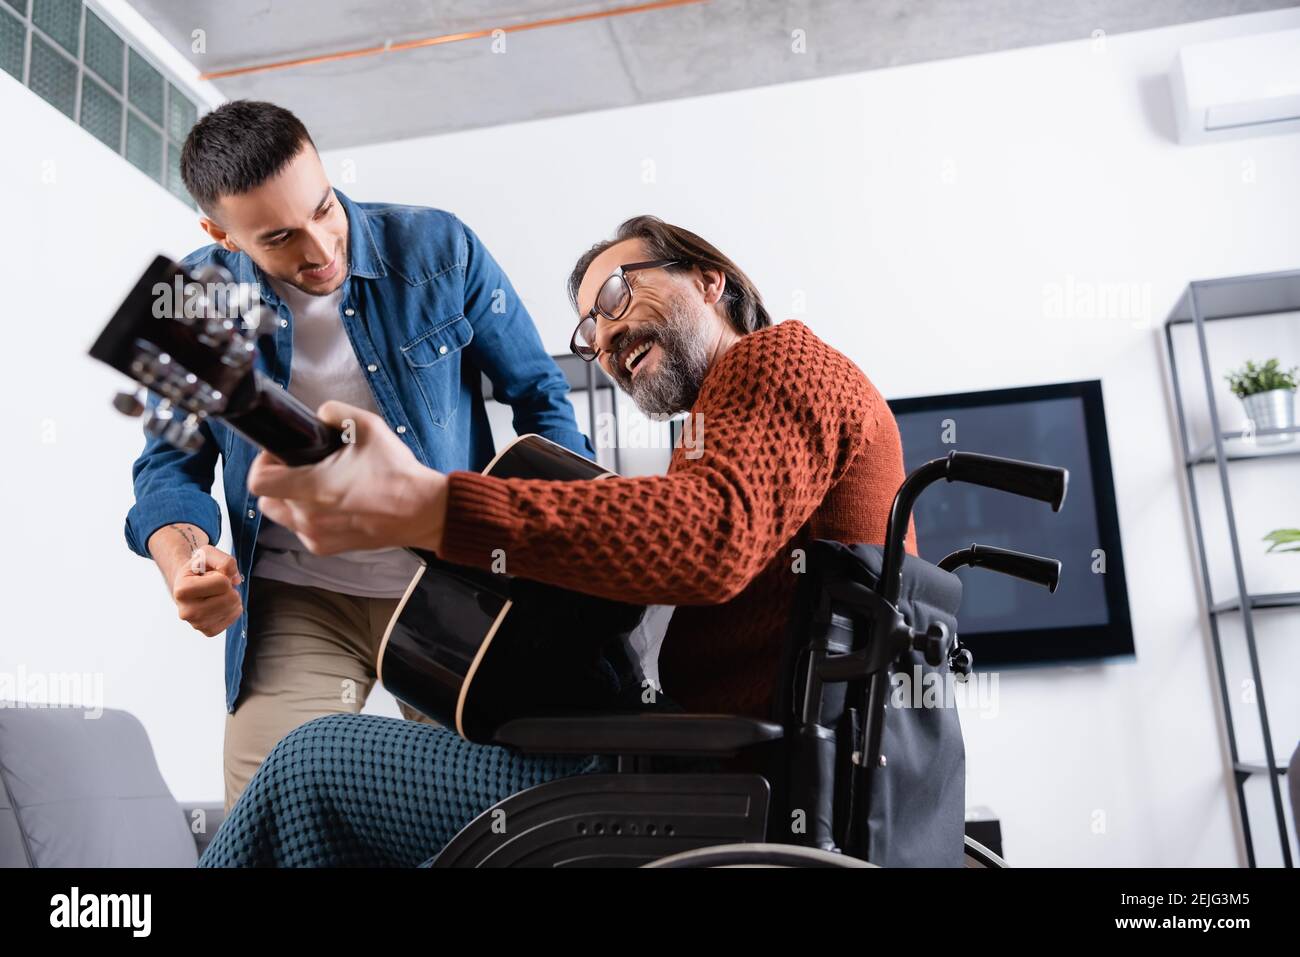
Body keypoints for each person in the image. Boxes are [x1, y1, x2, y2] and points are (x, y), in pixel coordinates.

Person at [197, 215, 917, 865]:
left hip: (700, 781)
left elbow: (709, 534)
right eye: (588, 336)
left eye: (614, 298)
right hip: (710, 766)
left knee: (312, 761)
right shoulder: (711, 437)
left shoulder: (778, 360)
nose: (604, 340)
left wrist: (430, 504)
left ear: (708, 279)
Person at [123, 100, 592, 812]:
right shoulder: (190, 304)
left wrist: (564, 547)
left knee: (492, 819)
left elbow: (539, 395)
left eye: (324, 207)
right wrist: (183, 560)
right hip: (296, 595)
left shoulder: (439, 247)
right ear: (220, 235)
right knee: (267, 815)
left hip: (450, 589)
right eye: (279, 237)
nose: (319, 249)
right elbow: (170, 466)